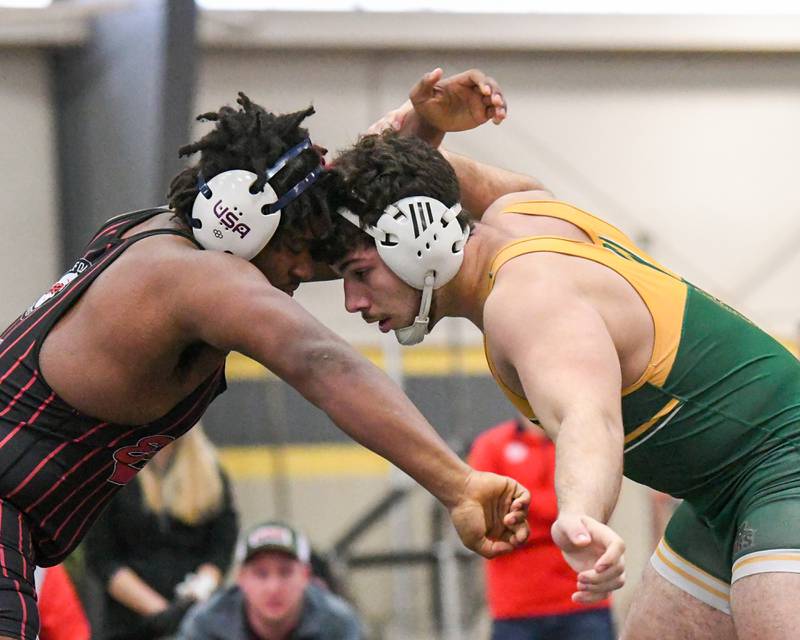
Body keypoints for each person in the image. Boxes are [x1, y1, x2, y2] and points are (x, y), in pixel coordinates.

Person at [0, 71, 529, 640]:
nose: (308, 271)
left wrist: (420, 132)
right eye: (299, 250)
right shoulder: (196, 281)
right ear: (245, 233)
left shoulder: (165, 241)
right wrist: (458, 484)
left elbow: (357, 240)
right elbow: (321, 361)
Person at [321, 72, 800, 640]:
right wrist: (417, 130)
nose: (352, 302)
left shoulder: (523, 298)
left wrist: (579, 512)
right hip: (723, 491)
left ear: (415, 242)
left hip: (782, 462)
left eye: (358, 274)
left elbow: (586, 416)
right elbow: (430, 186)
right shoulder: (522, 212)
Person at [84, 423, 238, 640]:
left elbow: (221, 549)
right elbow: (101, 557)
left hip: (197, 621)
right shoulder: (114, 472)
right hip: (128, 624)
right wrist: (159, 611)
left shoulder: (211, 472)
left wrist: (193, 600)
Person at [468, 414, 614, 640]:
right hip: (516, 605)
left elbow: (597, 508)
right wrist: (565, 509)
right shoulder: (491, 445)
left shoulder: (581, 444)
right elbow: (487, 515)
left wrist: (522, 503)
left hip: (583, 599)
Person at [177, 521, 363, 640]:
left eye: (285, 572)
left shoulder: (338, 623)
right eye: (261, 574)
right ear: (240, 578)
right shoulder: (206, 624)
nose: (273, 588)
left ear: (306, 576)